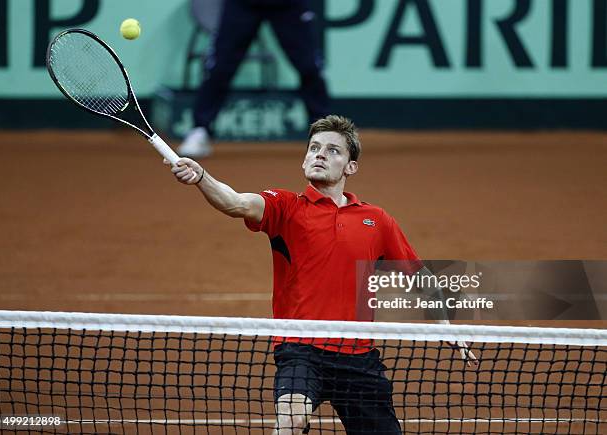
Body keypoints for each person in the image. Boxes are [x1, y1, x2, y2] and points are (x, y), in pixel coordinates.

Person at [166, 115, 476, 434]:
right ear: (304, 159)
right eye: (314, 148)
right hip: (302, 350)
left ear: (350, 167)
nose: (319, 155)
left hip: (358, 357)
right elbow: (235, 203)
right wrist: (202, 177)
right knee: (291, 419)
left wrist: (446, 326)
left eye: (332, 150)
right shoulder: (286, 207)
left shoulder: (376, 220)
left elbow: (419, 277)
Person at [178, 0, 330, 158]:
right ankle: (200, 129)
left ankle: (323, 134)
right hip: (242, 4)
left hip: (289, 4)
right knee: (219, 67)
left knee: (310, 66)